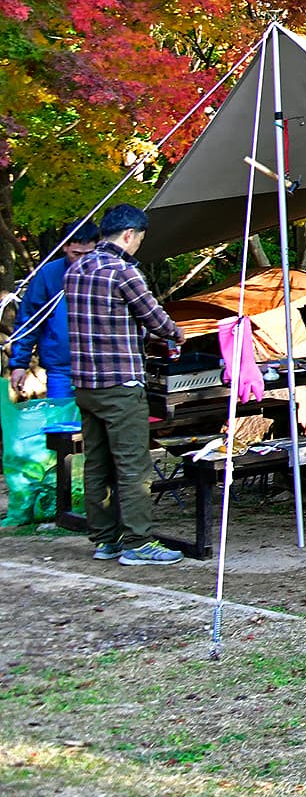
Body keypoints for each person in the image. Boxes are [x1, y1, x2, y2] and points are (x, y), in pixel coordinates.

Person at [65, 204, 184, 565]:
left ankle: (105, 539)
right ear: (129, 235)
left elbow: (106, 320)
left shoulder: (76, 269)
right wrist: (178, 336)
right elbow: (156, 318)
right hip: (121, 383)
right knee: (133, 466)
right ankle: (138, 542)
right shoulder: (123, 271)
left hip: (85, 383)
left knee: (96, 462)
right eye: (139, 240)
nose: (137, 247)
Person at [9, 220, 98, 410]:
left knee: (98, 428)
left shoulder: (105, 272)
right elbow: (29, 321)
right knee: (61, 428)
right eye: (77, 254)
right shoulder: (48, 275)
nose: (82, 260)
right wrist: (18, 364)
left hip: (100, 368)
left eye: (88, 254)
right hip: (61, 368)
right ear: (65, 247)